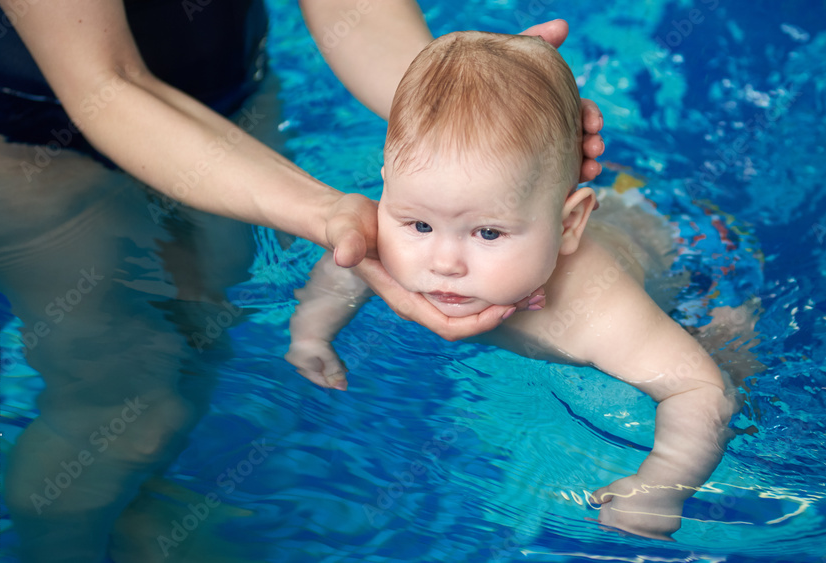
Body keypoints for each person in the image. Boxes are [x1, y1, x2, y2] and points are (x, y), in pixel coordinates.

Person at [0, 1, 604, 561]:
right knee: (125, 402)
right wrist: (327, 211)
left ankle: (131, 511)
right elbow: (104, 80)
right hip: (20, 141)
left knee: (200, 338)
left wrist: (480, 111)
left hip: (229, 103)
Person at [287, 30, 756, 540]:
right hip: (549, 195)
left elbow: (700, 391)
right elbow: (344, 264)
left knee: (733, 356)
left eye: (488, 233)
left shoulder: (594, 306)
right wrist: (312, 332)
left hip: (679, 238)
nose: (443, 262)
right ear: (385, 190)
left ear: (569, 225)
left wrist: (660, 486)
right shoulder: (391, 238)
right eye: (419, 225)